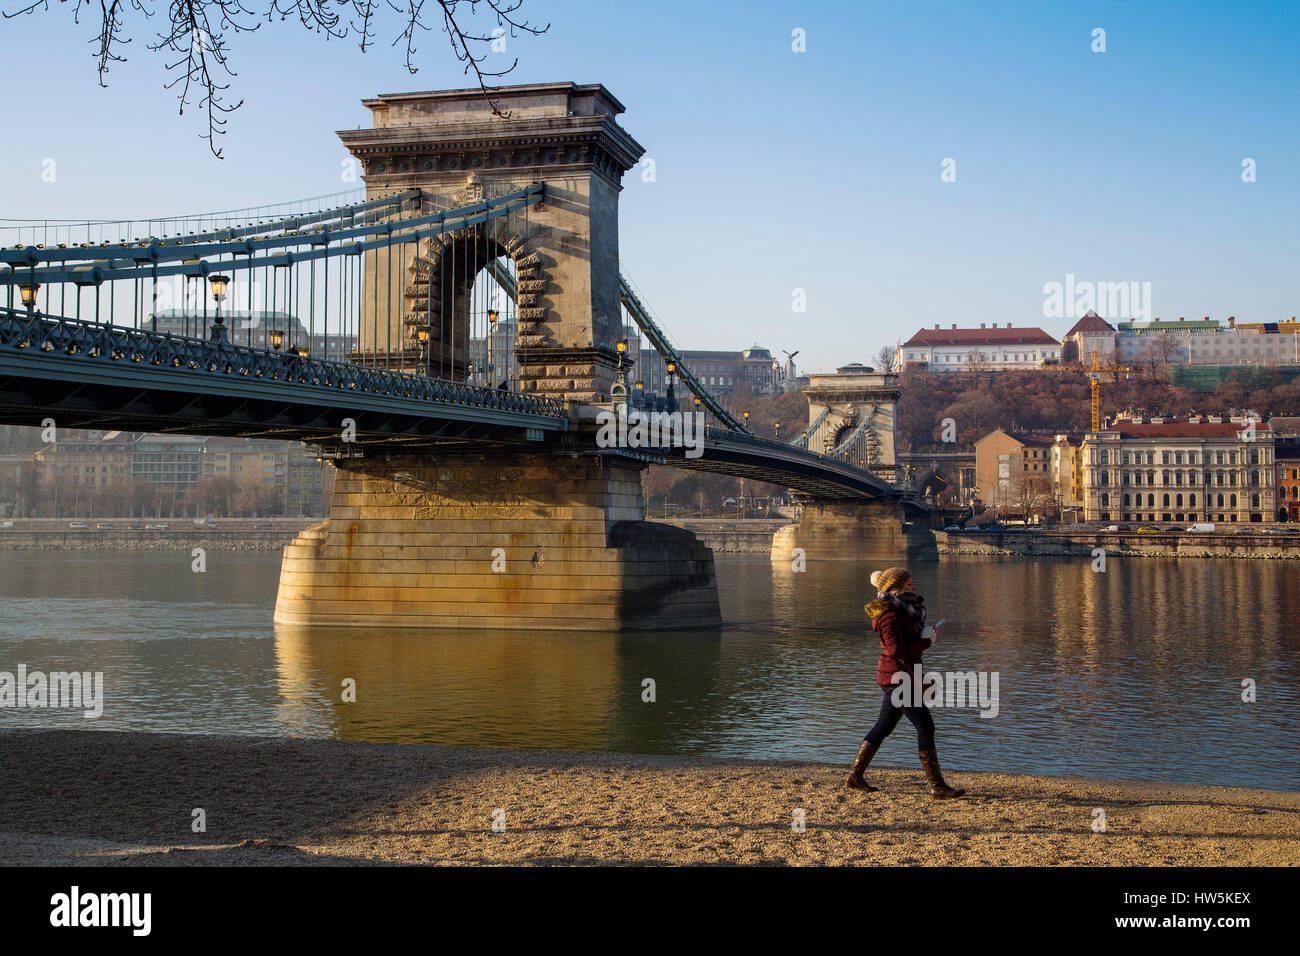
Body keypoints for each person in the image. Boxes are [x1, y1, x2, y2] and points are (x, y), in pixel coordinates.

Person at [846, 566, 965, 799]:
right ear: (897, 588)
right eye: (910, 584)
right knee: (925, 727)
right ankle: (937, 787)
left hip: (900, 675)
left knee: (883, 728)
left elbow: (903, 646)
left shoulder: (903, 611)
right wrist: (925, 642)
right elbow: (896, 650)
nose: (915, 587)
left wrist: (923, 635)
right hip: (898, 678)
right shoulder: (889, 615)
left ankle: (855, 776)